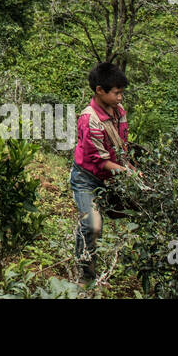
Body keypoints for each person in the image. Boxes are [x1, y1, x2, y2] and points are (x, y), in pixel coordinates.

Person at [69, 61, 130, 285]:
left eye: (122, 92)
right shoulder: (89, 119)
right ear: (99, 91)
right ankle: (85, 276)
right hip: (87, 178)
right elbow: (101, 162)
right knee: (92, 225)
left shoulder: (118, 112)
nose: (120, 98)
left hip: (110, 177)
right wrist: (127, 172)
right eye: (116, 93)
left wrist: (130, 167)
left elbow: (121, 145)